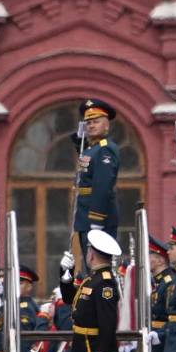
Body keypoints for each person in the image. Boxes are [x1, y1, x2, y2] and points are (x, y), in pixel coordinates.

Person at [71, 229, 121, 352]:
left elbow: (107, 323)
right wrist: (65, 275)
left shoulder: (104, 283)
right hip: (86, 350)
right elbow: (70, 299)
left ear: (91, 255)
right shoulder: (93, 279)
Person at [72, 99, 120, 260]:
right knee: (89, 264)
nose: (91, 125)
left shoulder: (105, 149)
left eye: (96, 122)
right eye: (88, 122)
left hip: (98, 217)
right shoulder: (92, 149)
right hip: (84, 216)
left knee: (97, 264)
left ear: (106, 125)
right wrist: (79, 138)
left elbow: (102, 185)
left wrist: (96, 220)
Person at [147, 236, 176, 352]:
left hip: (164, 342)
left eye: (150, 256)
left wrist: (160, 333)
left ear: (159, 260)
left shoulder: (168, 282)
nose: (147, 260)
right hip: (157, 342)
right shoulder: (159, 282)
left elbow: (171, 316)